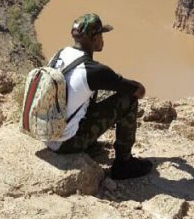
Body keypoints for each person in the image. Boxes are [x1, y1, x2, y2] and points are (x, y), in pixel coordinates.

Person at [46, 12, 153, 179]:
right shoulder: (94, 71)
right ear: (94, 38)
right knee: (128, 100)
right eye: (101, 34)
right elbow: (139, 91)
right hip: (66, 143)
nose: (103, 39)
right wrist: (118, 81)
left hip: (46, 134)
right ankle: (123, 165)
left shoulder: (59, 54)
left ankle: (88, 142)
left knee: (91, 95)